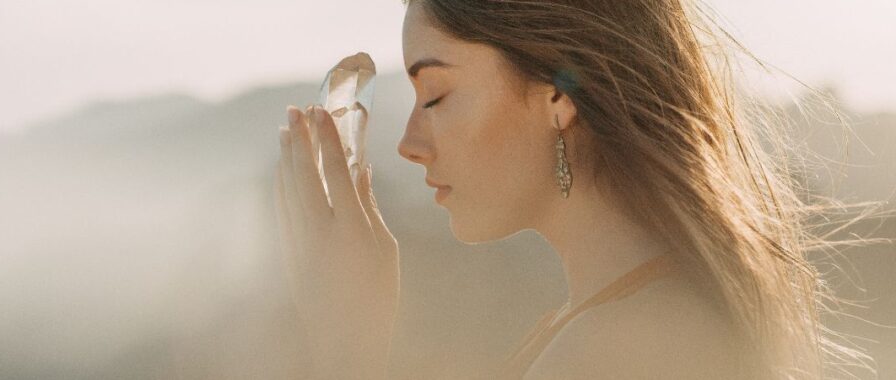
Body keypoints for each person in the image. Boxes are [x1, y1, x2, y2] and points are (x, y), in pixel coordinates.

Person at [273, 0, 884, 379]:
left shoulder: (623, 346)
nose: (409, 142)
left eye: (435, 95)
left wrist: (347, 346)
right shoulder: (615, 313)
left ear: (559, 92)